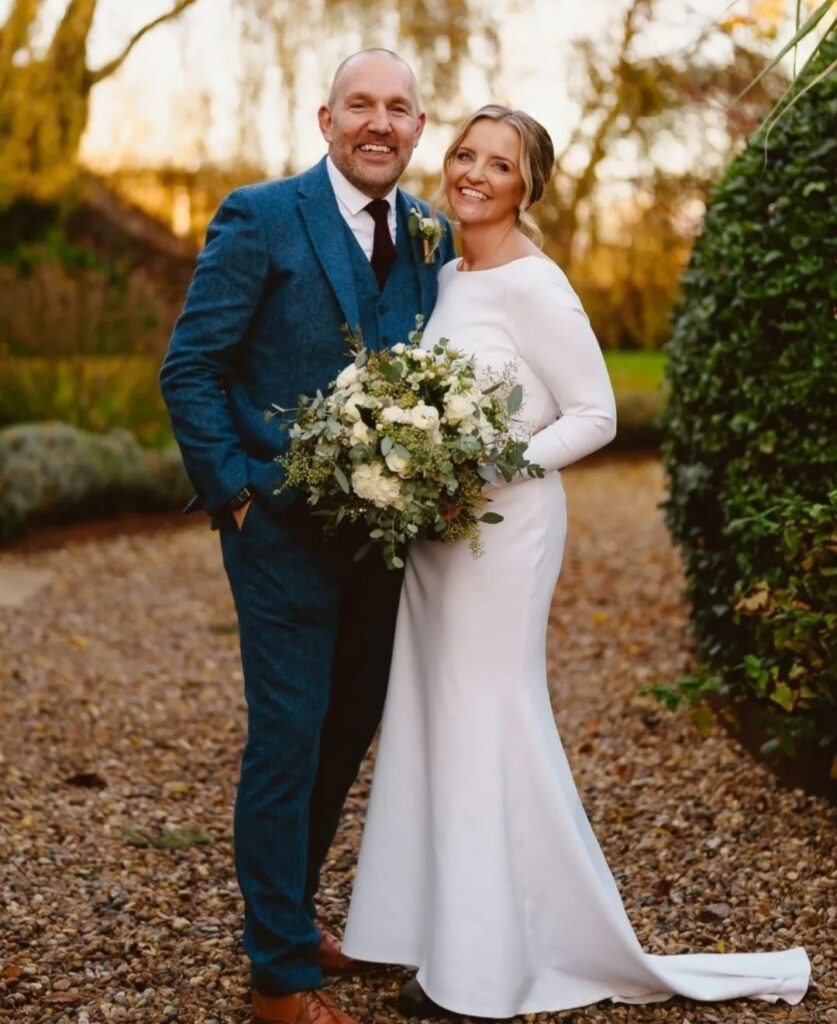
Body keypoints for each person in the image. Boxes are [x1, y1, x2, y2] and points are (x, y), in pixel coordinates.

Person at [341, 105, 811, 1018]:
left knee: (485, 716)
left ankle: (481, 971)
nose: (473, 174)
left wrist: (481, 468)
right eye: (466, 155)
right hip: (440, 538)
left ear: (528, 187)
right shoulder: (444, 276)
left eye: (498, 165)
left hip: (503, 531)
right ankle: (449, 938)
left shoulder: (535, 284)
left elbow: (593, 414)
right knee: (438, 718)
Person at [160, 50, 455, 1024]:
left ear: (419, 128)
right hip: (280, 534)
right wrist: (236, 492)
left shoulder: (428, 236)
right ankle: (275, 974)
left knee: (345, 732)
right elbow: (192, 366)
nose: (380, 122)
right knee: (288, 738)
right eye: (360, 105)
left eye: (399, 109)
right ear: (324, 120)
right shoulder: (261, 214)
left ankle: (291, 913)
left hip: (384, 540)